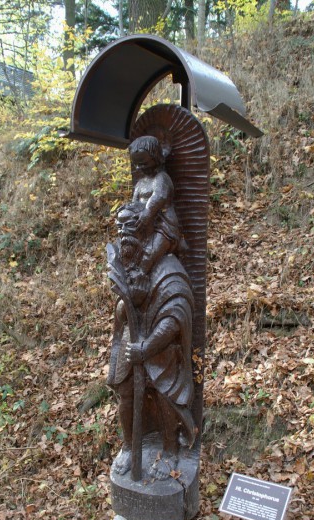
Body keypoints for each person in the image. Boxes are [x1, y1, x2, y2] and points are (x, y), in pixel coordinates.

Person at [107, 203, 196, 480]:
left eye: (130, 227)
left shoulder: (167, 267)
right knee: (126, 391)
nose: (124, 234)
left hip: (160, 344)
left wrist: (147, 347)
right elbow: (120, 312)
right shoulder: (125, 264)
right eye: (120, 228)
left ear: (146, 228)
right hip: (132, 339)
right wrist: (128, 303)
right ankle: (129, 446)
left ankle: (169, 450)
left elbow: (176, 314)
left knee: (163, 392)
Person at [127, 135, 184, 275]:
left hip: (163, 225)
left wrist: (147, 213)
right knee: (131, 251)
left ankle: (140, 278)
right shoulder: (140, 184)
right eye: (137, 164)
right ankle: (132, 276)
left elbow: (159, 196)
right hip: (144, 226)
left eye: (144, 163)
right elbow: (134, 203)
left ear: (156, 158)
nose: (140, 168)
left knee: (149, 254)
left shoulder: (161, 178)